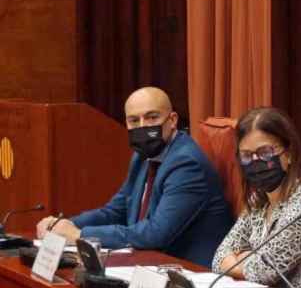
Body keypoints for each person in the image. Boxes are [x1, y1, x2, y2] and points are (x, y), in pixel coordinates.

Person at [35, 87, 233, 267]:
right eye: (134, 121)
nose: (143, 127)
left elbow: (155, 234)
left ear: (172, 120)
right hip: (149, 263)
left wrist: (79, 235)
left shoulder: (186, 163)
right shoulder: (142, 157)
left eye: (152, 118)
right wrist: (65, 225)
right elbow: (115, 210)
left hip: (189, 272)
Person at [211, 107, 301, 288]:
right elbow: (219, 257)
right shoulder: (259, 201)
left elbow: (264, 270)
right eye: (246, 155)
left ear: (289, 153)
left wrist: (241, 259)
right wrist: (250, 260)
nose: (256, 161)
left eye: (265, 152)